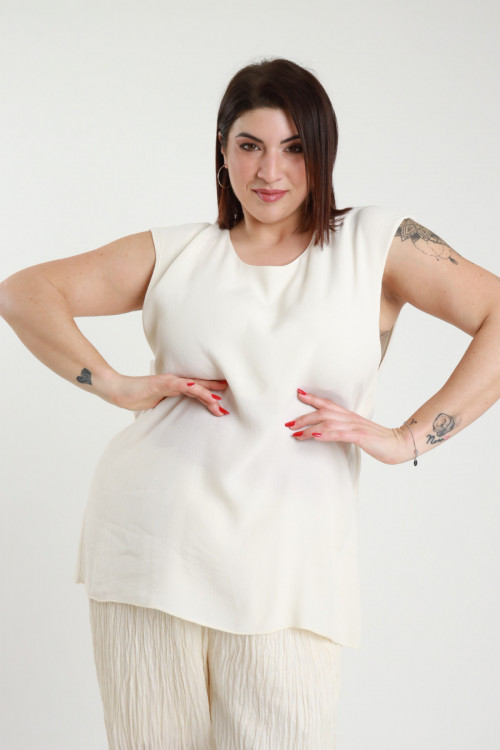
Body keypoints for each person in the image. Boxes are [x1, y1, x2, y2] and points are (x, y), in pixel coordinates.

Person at [1, 57, 499, 750]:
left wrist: (407, 439)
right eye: (250, 145)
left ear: (322, 151)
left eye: (294, 148)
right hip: (151, 549)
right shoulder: (179, 252)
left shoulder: (374, 244)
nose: (271, 171)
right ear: (223, 150)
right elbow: (25, 292)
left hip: (292, 571)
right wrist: (113, 383)